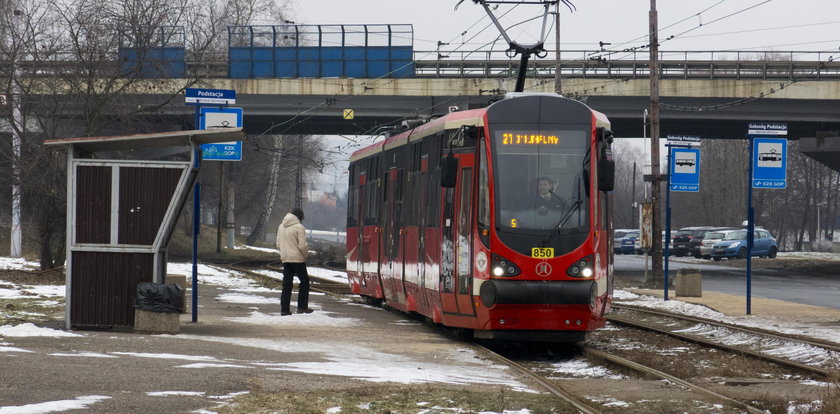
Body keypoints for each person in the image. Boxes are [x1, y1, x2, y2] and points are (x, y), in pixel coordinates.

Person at [275, 207, 313, 315]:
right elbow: (302, 245)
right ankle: (302, 307)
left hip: (286, 259)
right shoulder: (299, 227)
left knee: (287, 284)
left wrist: (283, 253)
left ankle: (284, 310)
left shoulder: (281, 226)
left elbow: (278, 243)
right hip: (297, 259)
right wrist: (305, 255)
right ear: (299, 217)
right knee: (304, 281)